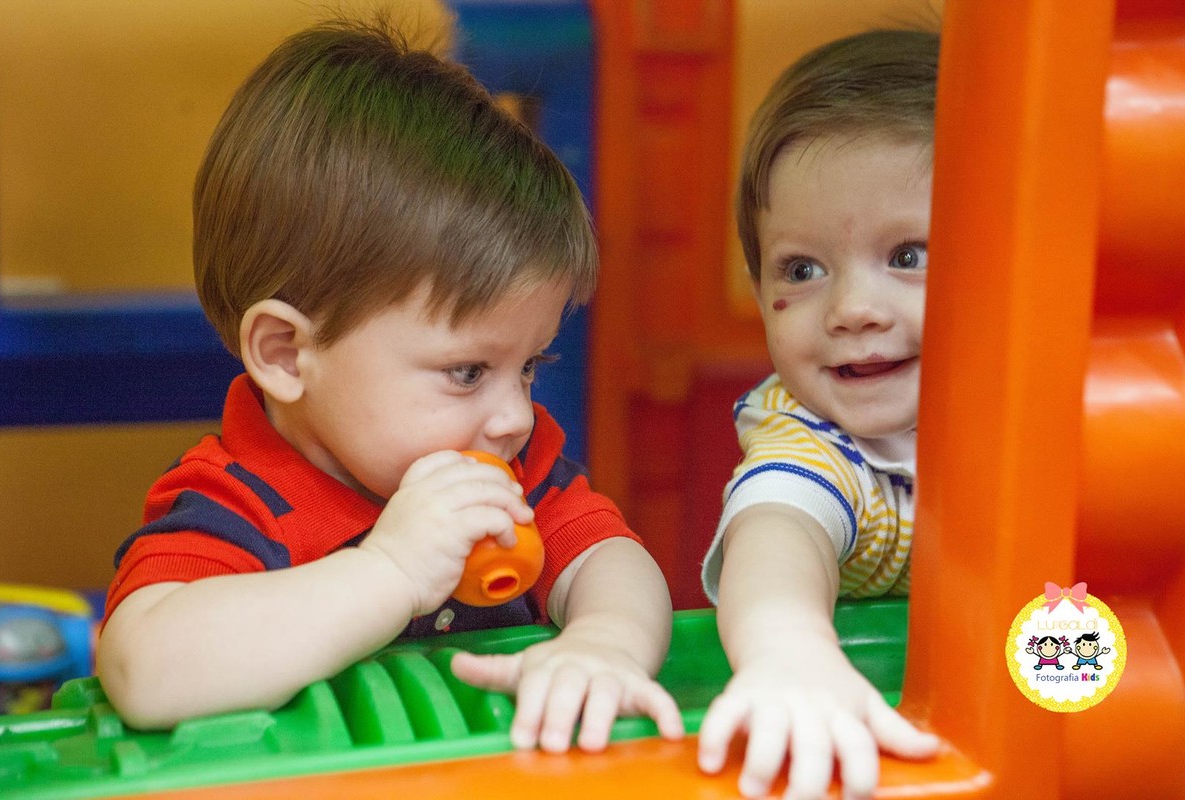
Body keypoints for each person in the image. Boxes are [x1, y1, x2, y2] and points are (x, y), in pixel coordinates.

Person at [96, 17, 683, 756]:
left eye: (530, 366)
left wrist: (605, 642)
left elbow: (613, 559)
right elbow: (143, 670)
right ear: (285, 354)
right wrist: (390, 571)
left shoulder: (514, 481)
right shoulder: (238, 507)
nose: (513, 417)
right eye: (467, 372)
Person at [696, 29, 944, 800]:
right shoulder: (812, 442)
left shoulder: (1050, 400)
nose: (853, 310)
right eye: (801, 271)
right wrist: (788, 650)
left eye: (907, 254)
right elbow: (778, 528)